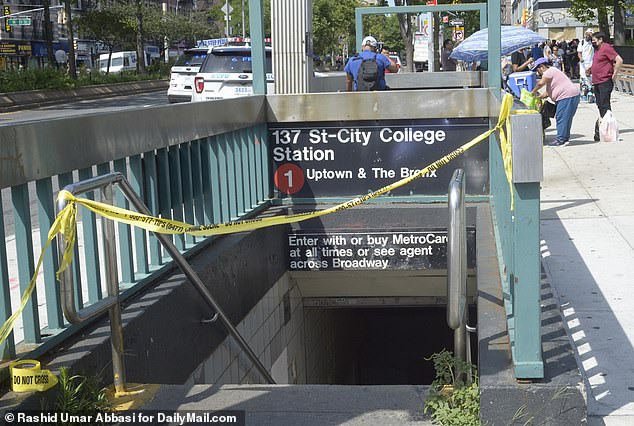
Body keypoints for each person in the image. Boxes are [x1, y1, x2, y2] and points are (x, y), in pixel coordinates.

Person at [531, 57, 580, 147]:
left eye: (537, 69)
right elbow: (549, 92)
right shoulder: (553, 72)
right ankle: (564, 138)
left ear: (542, 67)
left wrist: (533, 92)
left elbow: (540, 84)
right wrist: (540, 97)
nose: (538, 72)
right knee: (565, 118)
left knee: (561, 117)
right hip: (570, 96)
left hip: (566, 96)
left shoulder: (549, 71)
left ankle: (560, 140)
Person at [586, 31, 623, 141]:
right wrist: (591, 69)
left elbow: (619, 60)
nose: (592, 42)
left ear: (600, 39)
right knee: (600, 105)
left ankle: (608, 129)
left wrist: (614, 74)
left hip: (604, 81)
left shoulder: (606, 47)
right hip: (597, 81)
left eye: (594, 40)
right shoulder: (597, 50)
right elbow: (600, 63)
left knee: (604, 104)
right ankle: (605, 125)